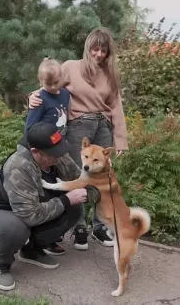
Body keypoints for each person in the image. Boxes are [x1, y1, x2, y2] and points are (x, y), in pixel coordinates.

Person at [27, 27, 129, 250]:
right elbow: (48, 85)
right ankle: (78, 226)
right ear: (88, 48)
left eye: (103, 50)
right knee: (76, 174)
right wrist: (33, 97)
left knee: (102, 180)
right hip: (79, 127)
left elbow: (116, 105)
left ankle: (100, 226)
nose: (99, 54)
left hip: (104, 127)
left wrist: (120, 139)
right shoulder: (70, 67)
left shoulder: (110, 74)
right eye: (95, 49)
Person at [0, 122, 95, 291]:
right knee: (15, 227)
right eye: (53, 153)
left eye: (60, 149)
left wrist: (95, 190)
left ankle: (32, 249)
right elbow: (29, 215)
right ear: (35, 152)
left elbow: (80, 178)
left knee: (75, 208)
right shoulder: (19, 167)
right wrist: (66, 199)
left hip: (30, 208)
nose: (59, 156)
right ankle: (1, 263)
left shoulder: (55, 153)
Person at [21, 57, 71, 256]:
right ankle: (40, 240)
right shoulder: (39, 99)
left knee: (60, 191)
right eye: (46, 83)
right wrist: (32, 153)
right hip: (42, 153)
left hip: (58, 150)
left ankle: (53, 236)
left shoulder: (65, 94)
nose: (51, 87)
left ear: (61, 78)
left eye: (55, 82)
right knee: (45, 194)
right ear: (40, 81)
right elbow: (30, 129)